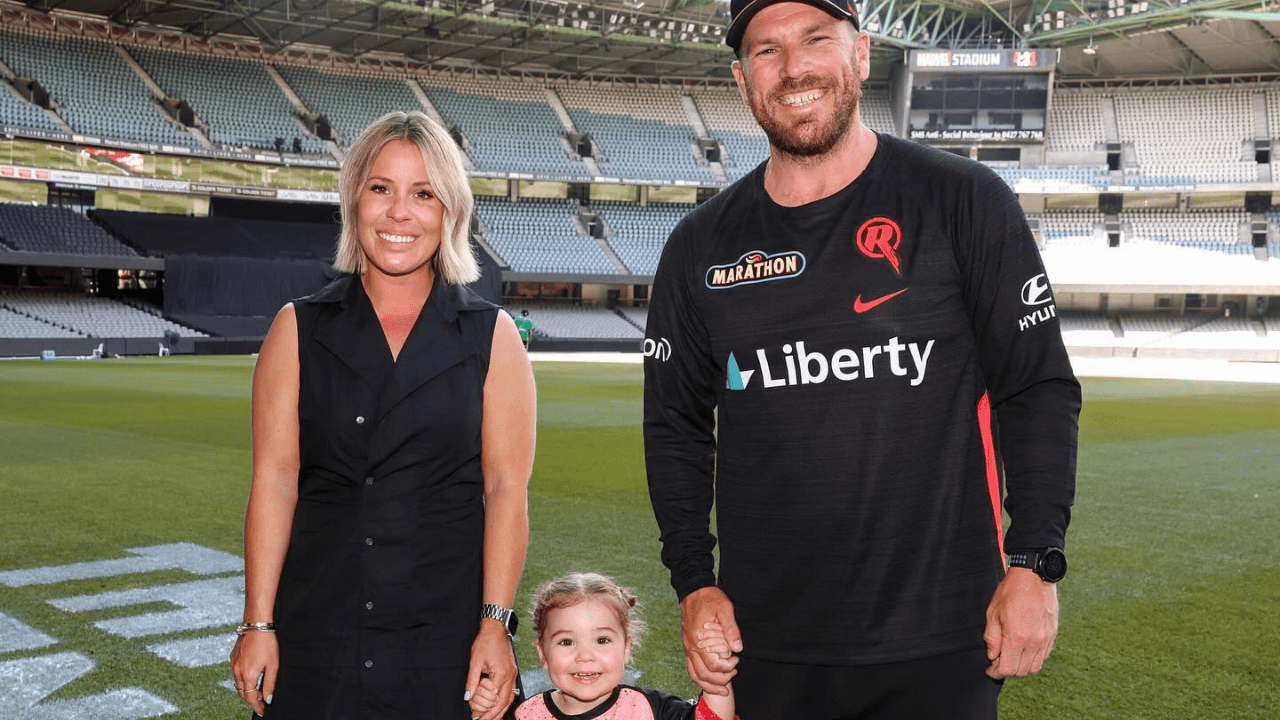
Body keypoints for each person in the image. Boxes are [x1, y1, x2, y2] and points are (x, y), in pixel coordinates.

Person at [642, 1, 1081, 718]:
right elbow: (675, 429)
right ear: (741, 77)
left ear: (862, 54)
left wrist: (1034, 562)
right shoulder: (700, 246)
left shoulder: (963, 200)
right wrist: (694, 581)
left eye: (817, 39)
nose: (794, 69)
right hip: (767, 643)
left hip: (942, 637)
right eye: (767, 51)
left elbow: (1036, 386)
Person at [229, 110, 537, 720]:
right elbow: (275, 480)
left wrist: (495, 625)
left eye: (423, 193)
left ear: (449, 210)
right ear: (353, 202)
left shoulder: (493, 334)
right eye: (381, 188)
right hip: (319, 631)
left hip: (448, 639)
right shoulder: (296, 329)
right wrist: (257, 621)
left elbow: (506, 490)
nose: (400, 213)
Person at [469, 572, 736, 720]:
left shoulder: (649, 710)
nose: (585, 656)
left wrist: (717, 675)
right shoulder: (525, 714)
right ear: (542, 653)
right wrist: (485, 711)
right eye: (566, 642)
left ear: (627, 647)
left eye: (602, 640)